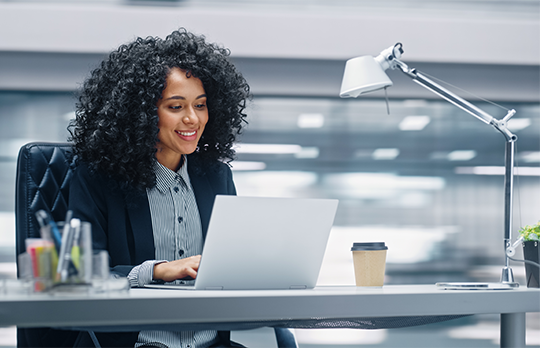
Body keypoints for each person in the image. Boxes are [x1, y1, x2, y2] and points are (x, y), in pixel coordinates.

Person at [67, 28, 250, 348]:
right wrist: (156, 271)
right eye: (176, 107)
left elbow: (230, 264)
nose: (193, 119)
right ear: (140, 113)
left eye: (201, 104)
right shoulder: (98, 179)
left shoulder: (216, 177)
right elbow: (78, 277)